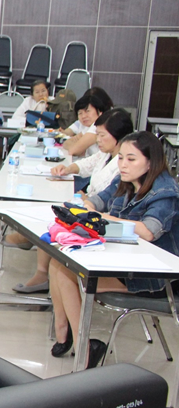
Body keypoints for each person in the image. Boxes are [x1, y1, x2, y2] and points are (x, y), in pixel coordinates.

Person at [49, 131, 179, 368]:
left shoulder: (165, 192)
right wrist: (88, 208)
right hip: (123, 261)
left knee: (68, 272)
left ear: (150, 162)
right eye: (120, 158)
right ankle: (66, 333)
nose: (123, 164)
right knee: (58, 262)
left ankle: (82, 347)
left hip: (153, 277)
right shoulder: (125, 180)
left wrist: (103, 218)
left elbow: (149, 231)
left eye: (131, 159)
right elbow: (97, 200)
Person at [8, 108, 135, 294]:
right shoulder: (106, 154)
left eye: (102, 135)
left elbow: (111, 199)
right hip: (90, 206)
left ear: (118, 136)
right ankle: (39, 267)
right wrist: (67, 169)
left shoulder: (123, 165)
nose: (98, 140)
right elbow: (87, 164)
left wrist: (87, 200)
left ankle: (33, 251)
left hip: (101, 219)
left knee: (58, 221)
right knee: (57, 213)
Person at [61, 87, 114, 158]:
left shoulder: (99, 126)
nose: (83, 116)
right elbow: (67, 143)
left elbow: (74, 150)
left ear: (99, 111)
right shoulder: (87, 125)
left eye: (87, 111)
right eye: (80, 113)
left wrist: (78, 147)